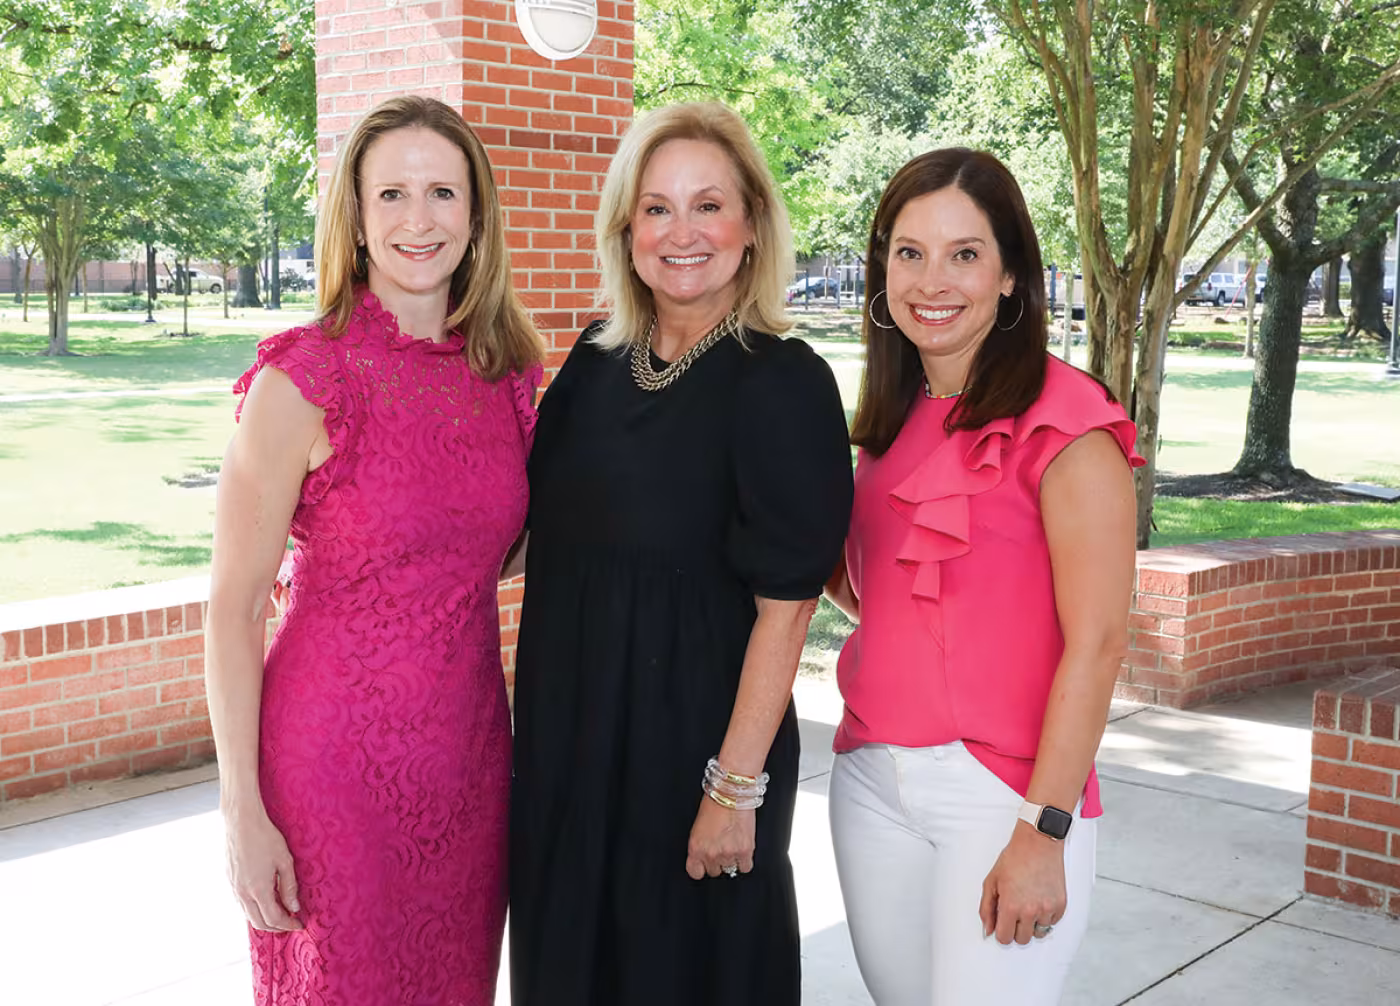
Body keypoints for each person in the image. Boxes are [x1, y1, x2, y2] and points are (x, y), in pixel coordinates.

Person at [507, 102, 853, 1006]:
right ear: (626, 229)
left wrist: (733, 790)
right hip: (568, 750)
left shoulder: (784, 382)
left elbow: (788, 608)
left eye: (709, 205)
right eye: (656, 207)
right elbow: (517, 531)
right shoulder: (591, 357)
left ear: (752, 226)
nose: (681, 231)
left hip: (694, 758)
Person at [205, 95, 543, 1004]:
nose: (418, 219)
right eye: (390, 193)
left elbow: (490, 549)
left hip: (470, 764)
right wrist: (241, 808)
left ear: (476, 216)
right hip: (329, 774)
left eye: (442, 191)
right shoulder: (301, 378)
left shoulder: (506, 377)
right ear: (354, 216)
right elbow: (233, 608)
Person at [824, 149, 1143, 1005]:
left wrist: (1044, 829)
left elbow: (1101, 643)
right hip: (870, 783)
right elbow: (867, 595)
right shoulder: (888, 424)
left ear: (1010, 277)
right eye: (909, 252)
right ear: (882, 267)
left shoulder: (1068, 423)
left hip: (1005, 798)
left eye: (966, 253)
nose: (934, 279)